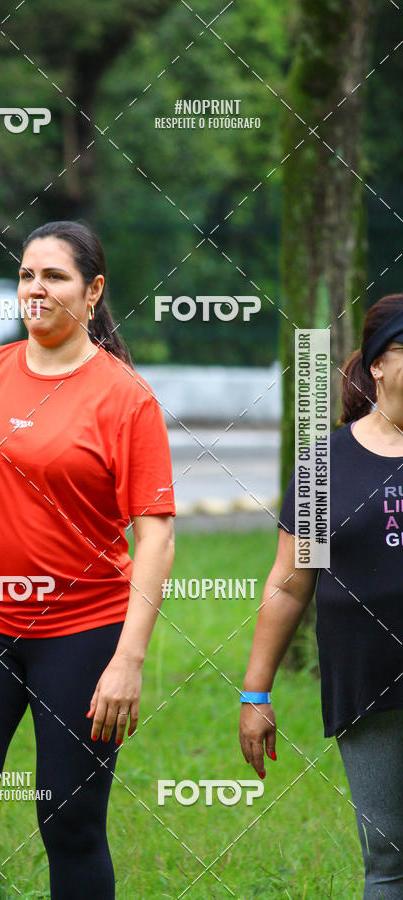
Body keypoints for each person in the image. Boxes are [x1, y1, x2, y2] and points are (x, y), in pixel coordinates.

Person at [0, 220, 176, 899]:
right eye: (26, 275)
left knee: (70, 824)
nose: (35, 289)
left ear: (93, 291)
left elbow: (156, 537)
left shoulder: (125, 398)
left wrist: (128, 661)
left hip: (82, 634)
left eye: (54, 276)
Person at [239, 294, 403, 899]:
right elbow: (289, 585)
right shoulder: (324, 466)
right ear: (378, 365)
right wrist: (256, 693)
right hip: (368, 686)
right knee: (388, 858)